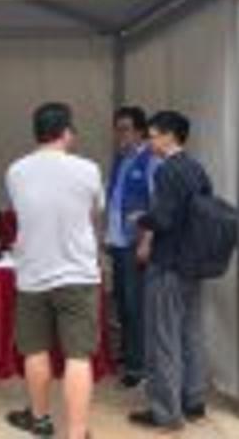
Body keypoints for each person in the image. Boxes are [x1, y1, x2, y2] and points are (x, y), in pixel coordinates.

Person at [5, 103, 104, 439]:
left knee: (35, 350)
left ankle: (40, 420)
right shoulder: (88, 169)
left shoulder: (16, 171)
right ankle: (76, 433)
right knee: (78, 356)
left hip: (32, 272)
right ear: (65, 132)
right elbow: (93, 215)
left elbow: (23, 212)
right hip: (78, 273)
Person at [129, 111, 211, 431]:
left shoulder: (167, 170)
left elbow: (163, 219)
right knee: (190, 333)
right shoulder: (196, 168)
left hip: (168, 262)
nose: (149, 143)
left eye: (152, 136)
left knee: (163, 337)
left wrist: (140, 218)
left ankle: (165, 411)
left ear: (169, 136)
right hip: (194, 262)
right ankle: (194, 401)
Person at [106, 106, 158, 388]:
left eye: (125, 129)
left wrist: (146, 241)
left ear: (140, 131)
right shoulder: (120, 159)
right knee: (123, 303)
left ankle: (139, 368)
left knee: (136, 305)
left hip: (135, 244)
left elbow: (157, 205)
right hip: (117, 242)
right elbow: (114, 201)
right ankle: (128, 356)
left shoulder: (151, 160)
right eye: (117, 129)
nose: (119, 135)